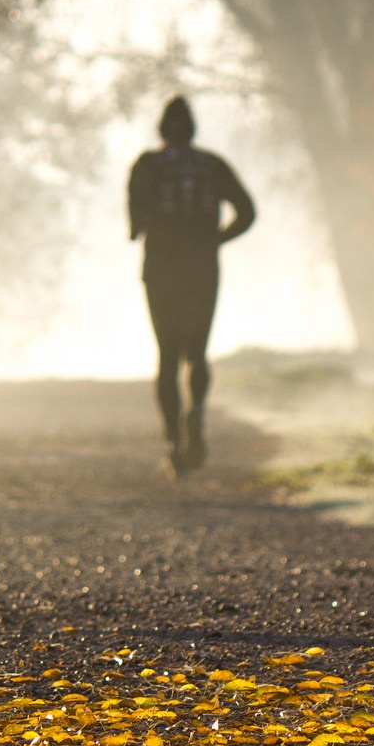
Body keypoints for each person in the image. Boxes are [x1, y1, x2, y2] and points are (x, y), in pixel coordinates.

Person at [127, 96, 256, 473]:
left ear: (161, 129)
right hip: (202, 267)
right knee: (197, 352)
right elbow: (247, 212)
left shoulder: (147, 165)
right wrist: (216, 238)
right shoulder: (211, 165)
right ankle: (196, 410)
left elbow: (135, 225)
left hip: (162, 268)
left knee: (167, 356)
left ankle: (172, 440)